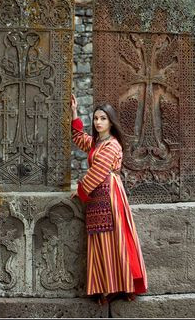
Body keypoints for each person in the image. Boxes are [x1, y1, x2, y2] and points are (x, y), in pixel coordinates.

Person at [70, 94, 148, 305]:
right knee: (100, 240)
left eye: (103, 118)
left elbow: (99, 170)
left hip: (110, 195)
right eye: (96, 118)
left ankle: (119, 286)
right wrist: (75, 113)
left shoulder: (112, 145)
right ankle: (106, 286)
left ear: (111, 121)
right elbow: (79, 138)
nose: (98, 122)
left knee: (114, 240)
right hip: (98, 197)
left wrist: (81, 190)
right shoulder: (97, 142)